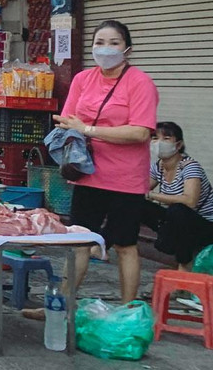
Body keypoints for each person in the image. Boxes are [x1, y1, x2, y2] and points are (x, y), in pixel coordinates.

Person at [53, 19, 159, 304]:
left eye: (114, 43)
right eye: (99, 42)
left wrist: (88, 129)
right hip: (88, 173)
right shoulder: (82, 79)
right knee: (78, 242)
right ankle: (62, 305)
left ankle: (127, 310)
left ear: (128, 49)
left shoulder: (140, 83)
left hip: (126, 179)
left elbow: (139, 131)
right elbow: (68, 122)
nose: (106, 49)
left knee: (125, 244)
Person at [146, 122, 213, 270]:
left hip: (210, 227)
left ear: (178, 145)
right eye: (154, 138)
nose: (159, 143)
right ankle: (107, 245)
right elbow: (141, 190)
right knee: (136, 204)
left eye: (166, 138)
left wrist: (152, 195)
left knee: (178, 210)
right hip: (181, 223)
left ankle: (184, 264)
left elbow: (190, 201)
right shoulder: (158, 166)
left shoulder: (190, 166)